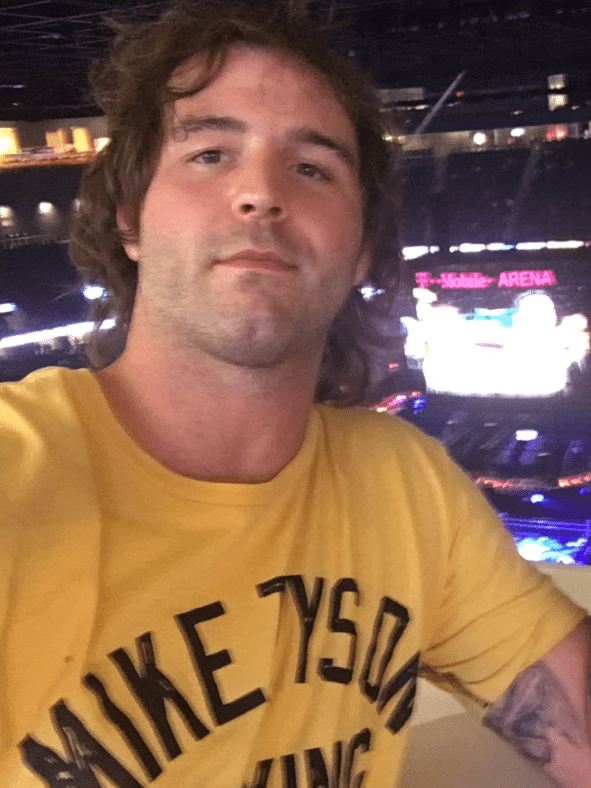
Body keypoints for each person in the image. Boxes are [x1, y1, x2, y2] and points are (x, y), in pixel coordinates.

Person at [1, 2, 590, 787]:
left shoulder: (406, 486)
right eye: (210, 153)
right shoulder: (18, 473)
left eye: (312, 168)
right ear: (130, 220)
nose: (259, 194)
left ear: (360, 250)